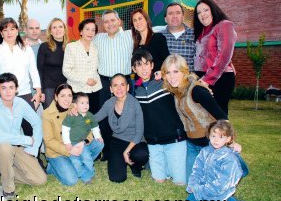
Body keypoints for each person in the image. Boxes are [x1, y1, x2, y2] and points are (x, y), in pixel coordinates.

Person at [161, 54, 229, 180]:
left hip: (209, 144)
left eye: (176, 71)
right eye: (168, 72)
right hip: (192, 144)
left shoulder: (196, 90)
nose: (172, 76)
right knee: (191, 182)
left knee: (212, 184)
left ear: (184, 71)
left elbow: (223, 117)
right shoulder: (176, 91)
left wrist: (229, 141)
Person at [0, 73, 47, 198]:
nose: (8, 92)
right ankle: (8, 188)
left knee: (40, 180)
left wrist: (34, 148)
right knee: (5, 148)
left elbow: (37, 123)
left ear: (16, 89)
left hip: (18, 147)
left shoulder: (20, 103)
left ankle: (6, 170)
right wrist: (28, 140)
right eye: (4, 88)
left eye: (11, 87)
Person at [131, 49, 187, 185]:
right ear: (134, 69)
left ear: (152, 65)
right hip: (153, 142)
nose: (143, 68)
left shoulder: (164, 82)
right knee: (159, 180)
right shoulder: (134, 90)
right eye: (139, 65)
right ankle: (158, 165)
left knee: (180, 181)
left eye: (146, 64)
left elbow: (183, 79)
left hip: (174, 139)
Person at [0, 17, 42, 142]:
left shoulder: (26, 49)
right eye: (5, 30)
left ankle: (33, 155)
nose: (9, 32)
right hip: (3, 94)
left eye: (12, 29)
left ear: (17, 31)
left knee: (29, 126)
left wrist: (38, 92)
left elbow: (33, 71)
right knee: (6, 127)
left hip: (24, 93)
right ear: (1, 33)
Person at [42, 84, 103, 186]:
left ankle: (77, 163)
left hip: (77, 144)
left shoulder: (76, 107)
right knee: (72, 180)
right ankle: (52, 167)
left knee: (98, 143)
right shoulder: (47, 114)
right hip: (58, 152)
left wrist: (83, 142)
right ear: (56, 97)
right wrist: (70, 150)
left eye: (69, 95)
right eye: (62, 96)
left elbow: (89, 127)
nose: (67, 99)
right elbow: (49, 141)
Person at [93, 9, 133, 160]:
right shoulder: (98, 39)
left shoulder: (129, 36)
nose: (109, 24)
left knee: (125, 115)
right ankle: (107, 151)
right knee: (104, 117)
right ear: (103, 24)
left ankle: (126, 149)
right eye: (106, 21)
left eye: (112, 20)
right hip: (103, 83)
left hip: (124, 82)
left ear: (119, 21)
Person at [94, 74, 149, 183]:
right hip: (117, 140)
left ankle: (135, 166)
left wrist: (126, 151)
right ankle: (123, 161)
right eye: (115, 85)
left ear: (128, 87)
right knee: (117, 178)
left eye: (122, 85)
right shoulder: (109, 103)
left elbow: (139, 133)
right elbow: (94, 118)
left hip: (135, 141)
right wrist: (79, 114)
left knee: (141, 154)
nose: (119, 88)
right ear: (111, 89)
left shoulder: (135, 104)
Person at [186, 120, 250, 201]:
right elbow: (197, 170)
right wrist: (193, 185)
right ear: (209, 136)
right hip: (205, 188)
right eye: (213, 136)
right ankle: (211, 200)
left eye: (221, 137)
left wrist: (200, 190)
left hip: (219, 192)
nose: (216, 140)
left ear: (228, 139)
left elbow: (223, 183)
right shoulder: (205, 151)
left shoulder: (229, 158)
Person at [193, 0, 237, 115]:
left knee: (219, 116)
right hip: (201, 77)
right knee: (205, 118)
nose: (202, 14)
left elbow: (224, 54)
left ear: (213, 9)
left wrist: (207, 79)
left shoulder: (224, 25)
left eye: (205, 10)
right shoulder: (201, 31)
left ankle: (224, 133)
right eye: (199, 12)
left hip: (219, 78)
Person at [61, 92, 104, 183]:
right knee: (76, 161)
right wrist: (67, 143)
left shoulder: (90, 115)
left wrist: (98, 136)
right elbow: (65, 129)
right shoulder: (72, 115)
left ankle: (90, 172)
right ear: (75, 105)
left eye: (87, 102)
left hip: (82, 142)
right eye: (82, 103)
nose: (85, 105)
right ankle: (84, 175)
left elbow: (95, 127)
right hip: (72, 143)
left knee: (87, 157)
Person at [63, 19, 102, 114]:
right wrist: (85, 80)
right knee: (78, 121)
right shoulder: (71, 47)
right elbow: (66, 71)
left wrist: (95, 79)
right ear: (81, 31)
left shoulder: (96, 47)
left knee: (93, 119)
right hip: (78, 90)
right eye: (87, 29)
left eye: (93, 30)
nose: (90, 32)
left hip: (95, 90)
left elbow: (96, 68)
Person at [37, 18, 68, 108]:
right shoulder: (44, 47)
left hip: (65, 87)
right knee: (50, 117)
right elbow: (39, 70)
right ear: (50, 31)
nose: (58, 29)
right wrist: (41, 91)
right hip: (49, 89)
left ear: (64, 30)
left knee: (64, 116)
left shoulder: (70, 47)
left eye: (60, 27)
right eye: (54, 27)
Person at [131, 8, 170, 74]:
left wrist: (161, 74)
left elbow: (167, 61)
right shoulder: (136, 44)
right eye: (134, 20)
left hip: (157, 81)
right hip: (141, 82)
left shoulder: (158, 38)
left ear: (146, 20)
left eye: (140, 18)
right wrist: (138, 83)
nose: (137, 22)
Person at [161, 2, 196, 72]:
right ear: (165, 19)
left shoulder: (195, 34)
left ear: (183, 17)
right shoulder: (159, 37)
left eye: (178, 13)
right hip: (167, 82)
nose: (174, 16)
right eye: (170, 13)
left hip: (190, 81)